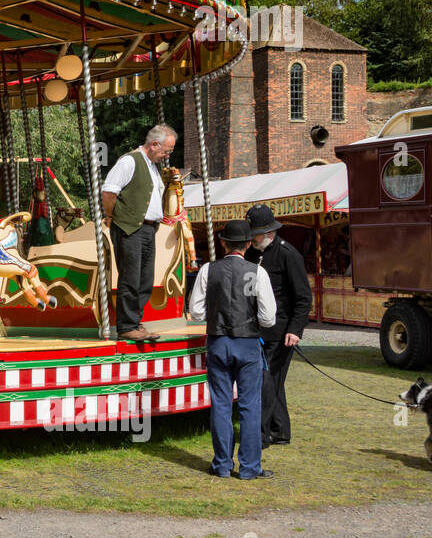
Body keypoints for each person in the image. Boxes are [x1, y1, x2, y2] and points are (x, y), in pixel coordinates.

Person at [188, 219, 277, 479]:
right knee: (249, 406)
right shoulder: (257, 272)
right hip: (247, 342)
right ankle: (249, 467)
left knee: (221, 404)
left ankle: (222, 465)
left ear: (223, 243)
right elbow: (269, 317)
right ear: (249, 243)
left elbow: (195, 311)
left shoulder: (207, 270)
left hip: (217, 341)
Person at [101, 123, 177, 341]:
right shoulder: (129, 161)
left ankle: (134, 322)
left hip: (147, 228)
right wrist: (114, 216)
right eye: (166, 150)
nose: (166, 155)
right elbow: (109, 192)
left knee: (145, 279)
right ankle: (126, 326)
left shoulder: (151, 165)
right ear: (154, 144)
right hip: (130, 227)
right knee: (130, 277)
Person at [244, 204, 312, 447]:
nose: (252, 238)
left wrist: (295, 329)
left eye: (256, 234)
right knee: (273, 381)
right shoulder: (252, 254)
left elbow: (303, 297)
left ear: (269, 232)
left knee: (267, 381)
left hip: (282, 331)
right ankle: (280, 430)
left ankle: (261, 435)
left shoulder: (288, 254)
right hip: (258, 329)